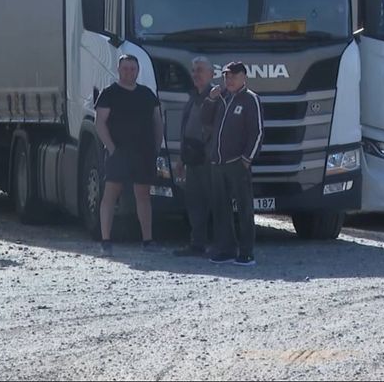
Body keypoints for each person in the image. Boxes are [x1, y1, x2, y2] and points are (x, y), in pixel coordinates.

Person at [94, 54, 164, 256]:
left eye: (133, 69)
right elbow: (100, 123)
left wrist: (156, 147)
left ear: (138, 71)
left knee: (143, 195)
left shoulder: (147, 94)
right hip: (119, 152)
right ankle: (106, 240)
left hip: (143, 152)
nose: (129, 72)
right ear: (118, 70)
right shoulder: (109, 93)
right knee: (110, 194)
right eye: (125, 68)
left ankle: (147, 240)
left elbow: (157, 121)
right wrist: (112, 148)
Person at [202, 61, 264, 267]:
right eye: (227, 76)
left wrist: (247, 160)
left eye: (234, 76)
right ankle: (225, 249)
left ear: (244, 77)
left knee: (244, 209)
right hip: (218, 163)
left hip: (237, 164)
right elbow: (206, 120)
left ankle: (246, 252)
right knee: (221, 208)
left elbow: (257, 132)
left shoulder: (250, 99)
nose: (229, 80)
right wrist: (210, 101)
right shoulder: (222, 98)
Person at [172, 56, 216, 258]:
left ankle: (220, 246)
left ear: (211, 74)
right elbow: (186, 131)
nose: (196, 74)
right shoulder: (192, 98)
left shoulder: (217, 98)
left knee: (215, 203)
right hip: (193, 160)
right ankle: (197, 244)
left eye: (200, 70)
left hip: (210, 160)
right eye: (193, 70)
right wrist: (181, 159)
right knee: (194, 204)